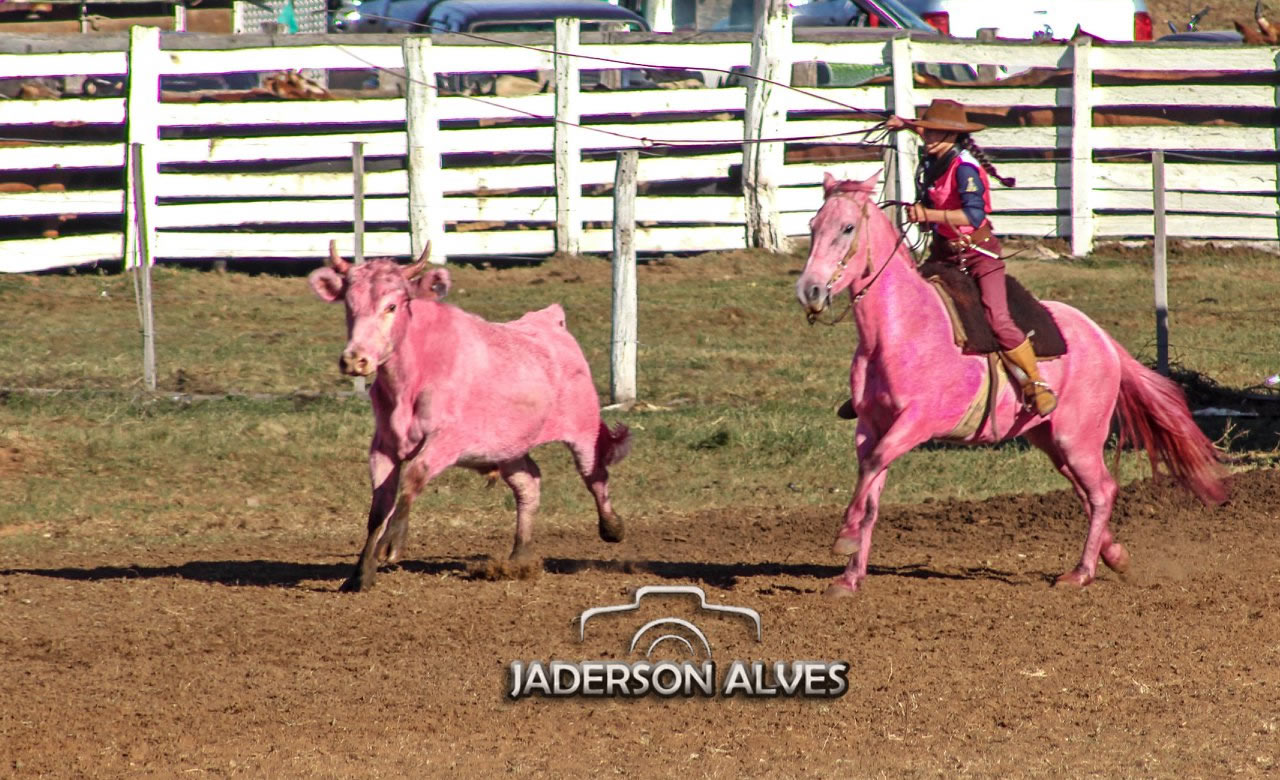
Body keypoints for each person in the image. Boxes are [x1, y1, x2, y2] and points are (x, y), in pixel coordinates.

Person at [885, 98, 1057, 417]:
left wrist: (927, 214)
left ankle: (1037, 383)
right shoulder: (937, 151)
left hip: (978, 253)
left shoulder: (965, 168)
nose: (929, 137)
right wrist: (903, 124)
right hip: (944, 252)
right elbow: (923, 130)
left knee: (998, 319)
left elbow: (973, 215)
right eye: (927, 131)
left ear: (953, 136)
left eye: (937, 133)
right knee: (908, 305)